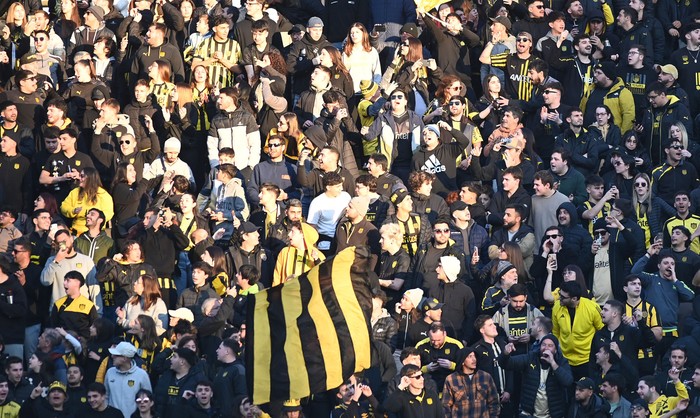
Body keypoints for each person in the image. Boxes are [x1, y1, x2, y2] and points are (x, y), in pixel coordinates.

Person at [552, 281, 603, 379]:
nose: (559, 298)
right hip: (565, 359)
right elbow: (555, 332)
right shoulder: (557, 307)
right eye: (560, 295)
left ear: (574, 298)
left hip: (587, 359)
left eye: (563, 297)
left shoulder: (592, 307)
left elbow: (602, 331)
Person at [442, 347, 500, 417]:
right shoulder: (451, 379)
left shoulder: (485, 377)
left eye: (474, 356)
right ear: (462, 361)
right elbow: (445, 406)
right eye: (470, 357)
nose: (474, 359)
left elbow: (494, 402)